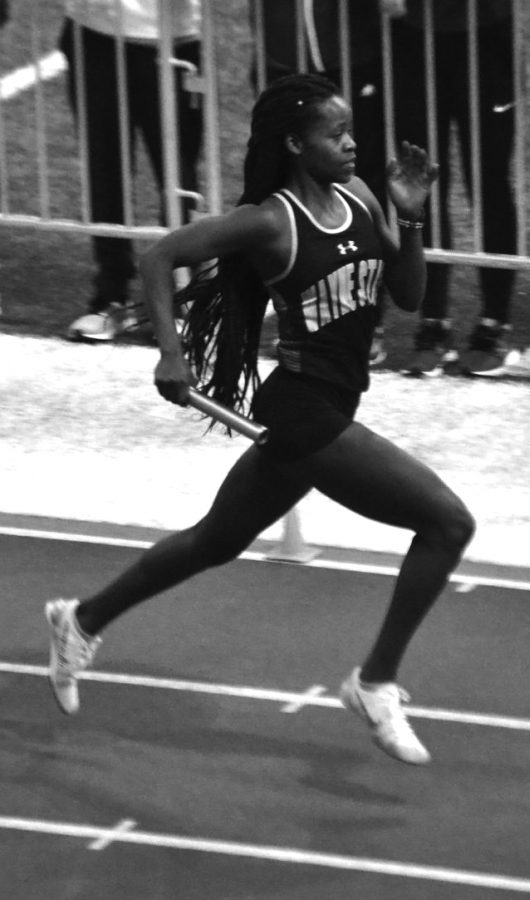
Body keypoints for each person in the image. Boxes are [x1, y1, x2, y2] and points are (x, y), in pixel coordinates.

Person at [45, 73, 475, 766]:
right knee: (448, 523)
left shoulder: (361, 197)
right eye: (334, 135)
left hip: (337, 402)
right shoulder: (272, 220)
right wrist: (171, 353)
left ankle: (81, 618)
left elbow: (408, 293)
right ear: (295, 145)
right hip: (302, 409)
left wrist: (411, 216)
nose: (350, 143)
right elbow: (160, 256)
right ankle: (375, 681)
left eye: (348, 131)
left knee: (215, 541)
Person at [389, 0, 519, 378]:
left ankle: (495, 323)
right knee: (420, 180)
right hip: (412, 34)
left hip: (486, 33)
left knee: (489, 179)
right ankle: (433, 322)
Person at [60, 0, 203, 342]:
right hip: (92, 32)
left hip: (173, 39)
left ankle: (179, 300)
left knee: (177, 173)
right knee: (104, 167)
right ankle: (110, 296)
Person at [255, 0, 389, 365]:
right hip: (282, 57)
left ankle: (366, 322)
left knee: (357, 181)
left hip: (351, 55)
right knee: (284, 182)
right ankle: (303, 322)